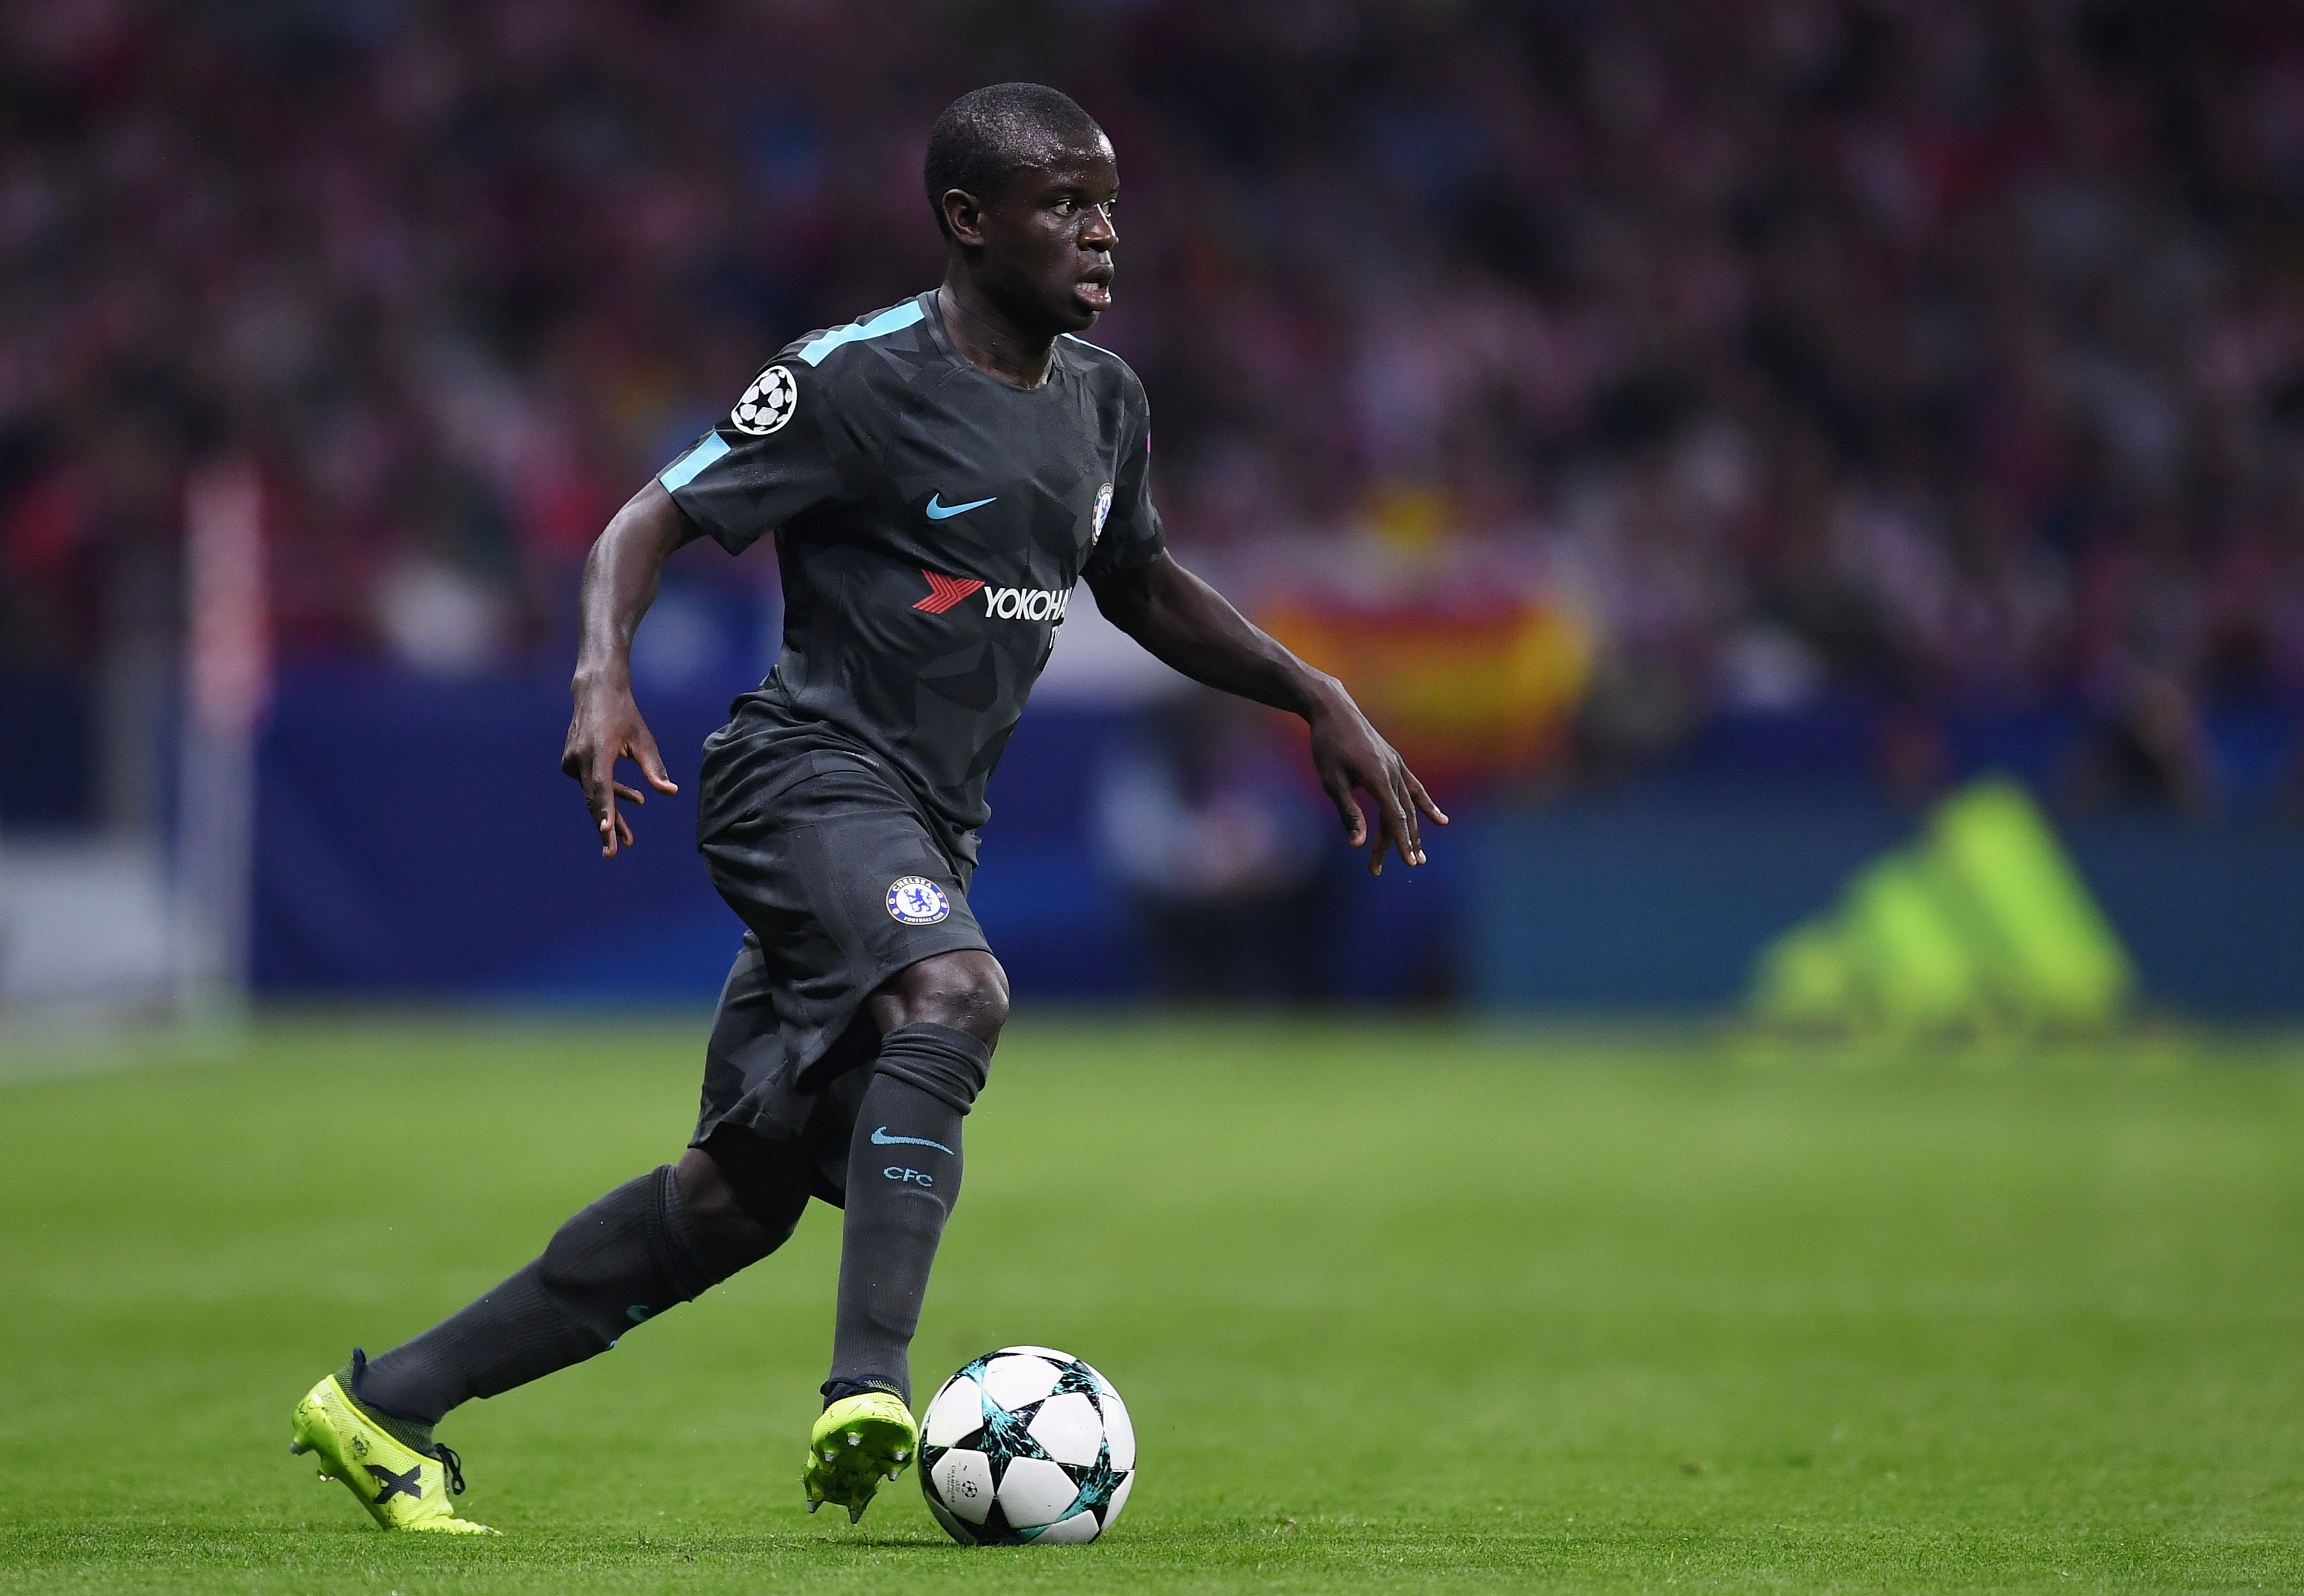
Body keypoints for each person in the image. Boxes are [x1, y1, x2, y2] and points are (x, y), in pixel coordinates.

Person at [287, 82, 1444, 1535]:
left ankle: (384, 1404)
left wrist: (1308, 688)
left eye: (1110, 208)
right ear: (969, 221)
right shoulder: (856, 377)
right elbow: (647, 517)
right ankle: (868, 1386)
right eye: (1067, 207)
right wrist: (602, 678)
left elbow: (1138, 581)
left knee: (734, 1203)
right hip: (803, 780)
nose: (1103, 237)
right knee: (954, 991)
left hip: (921, 826)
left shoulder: (1105, 402)